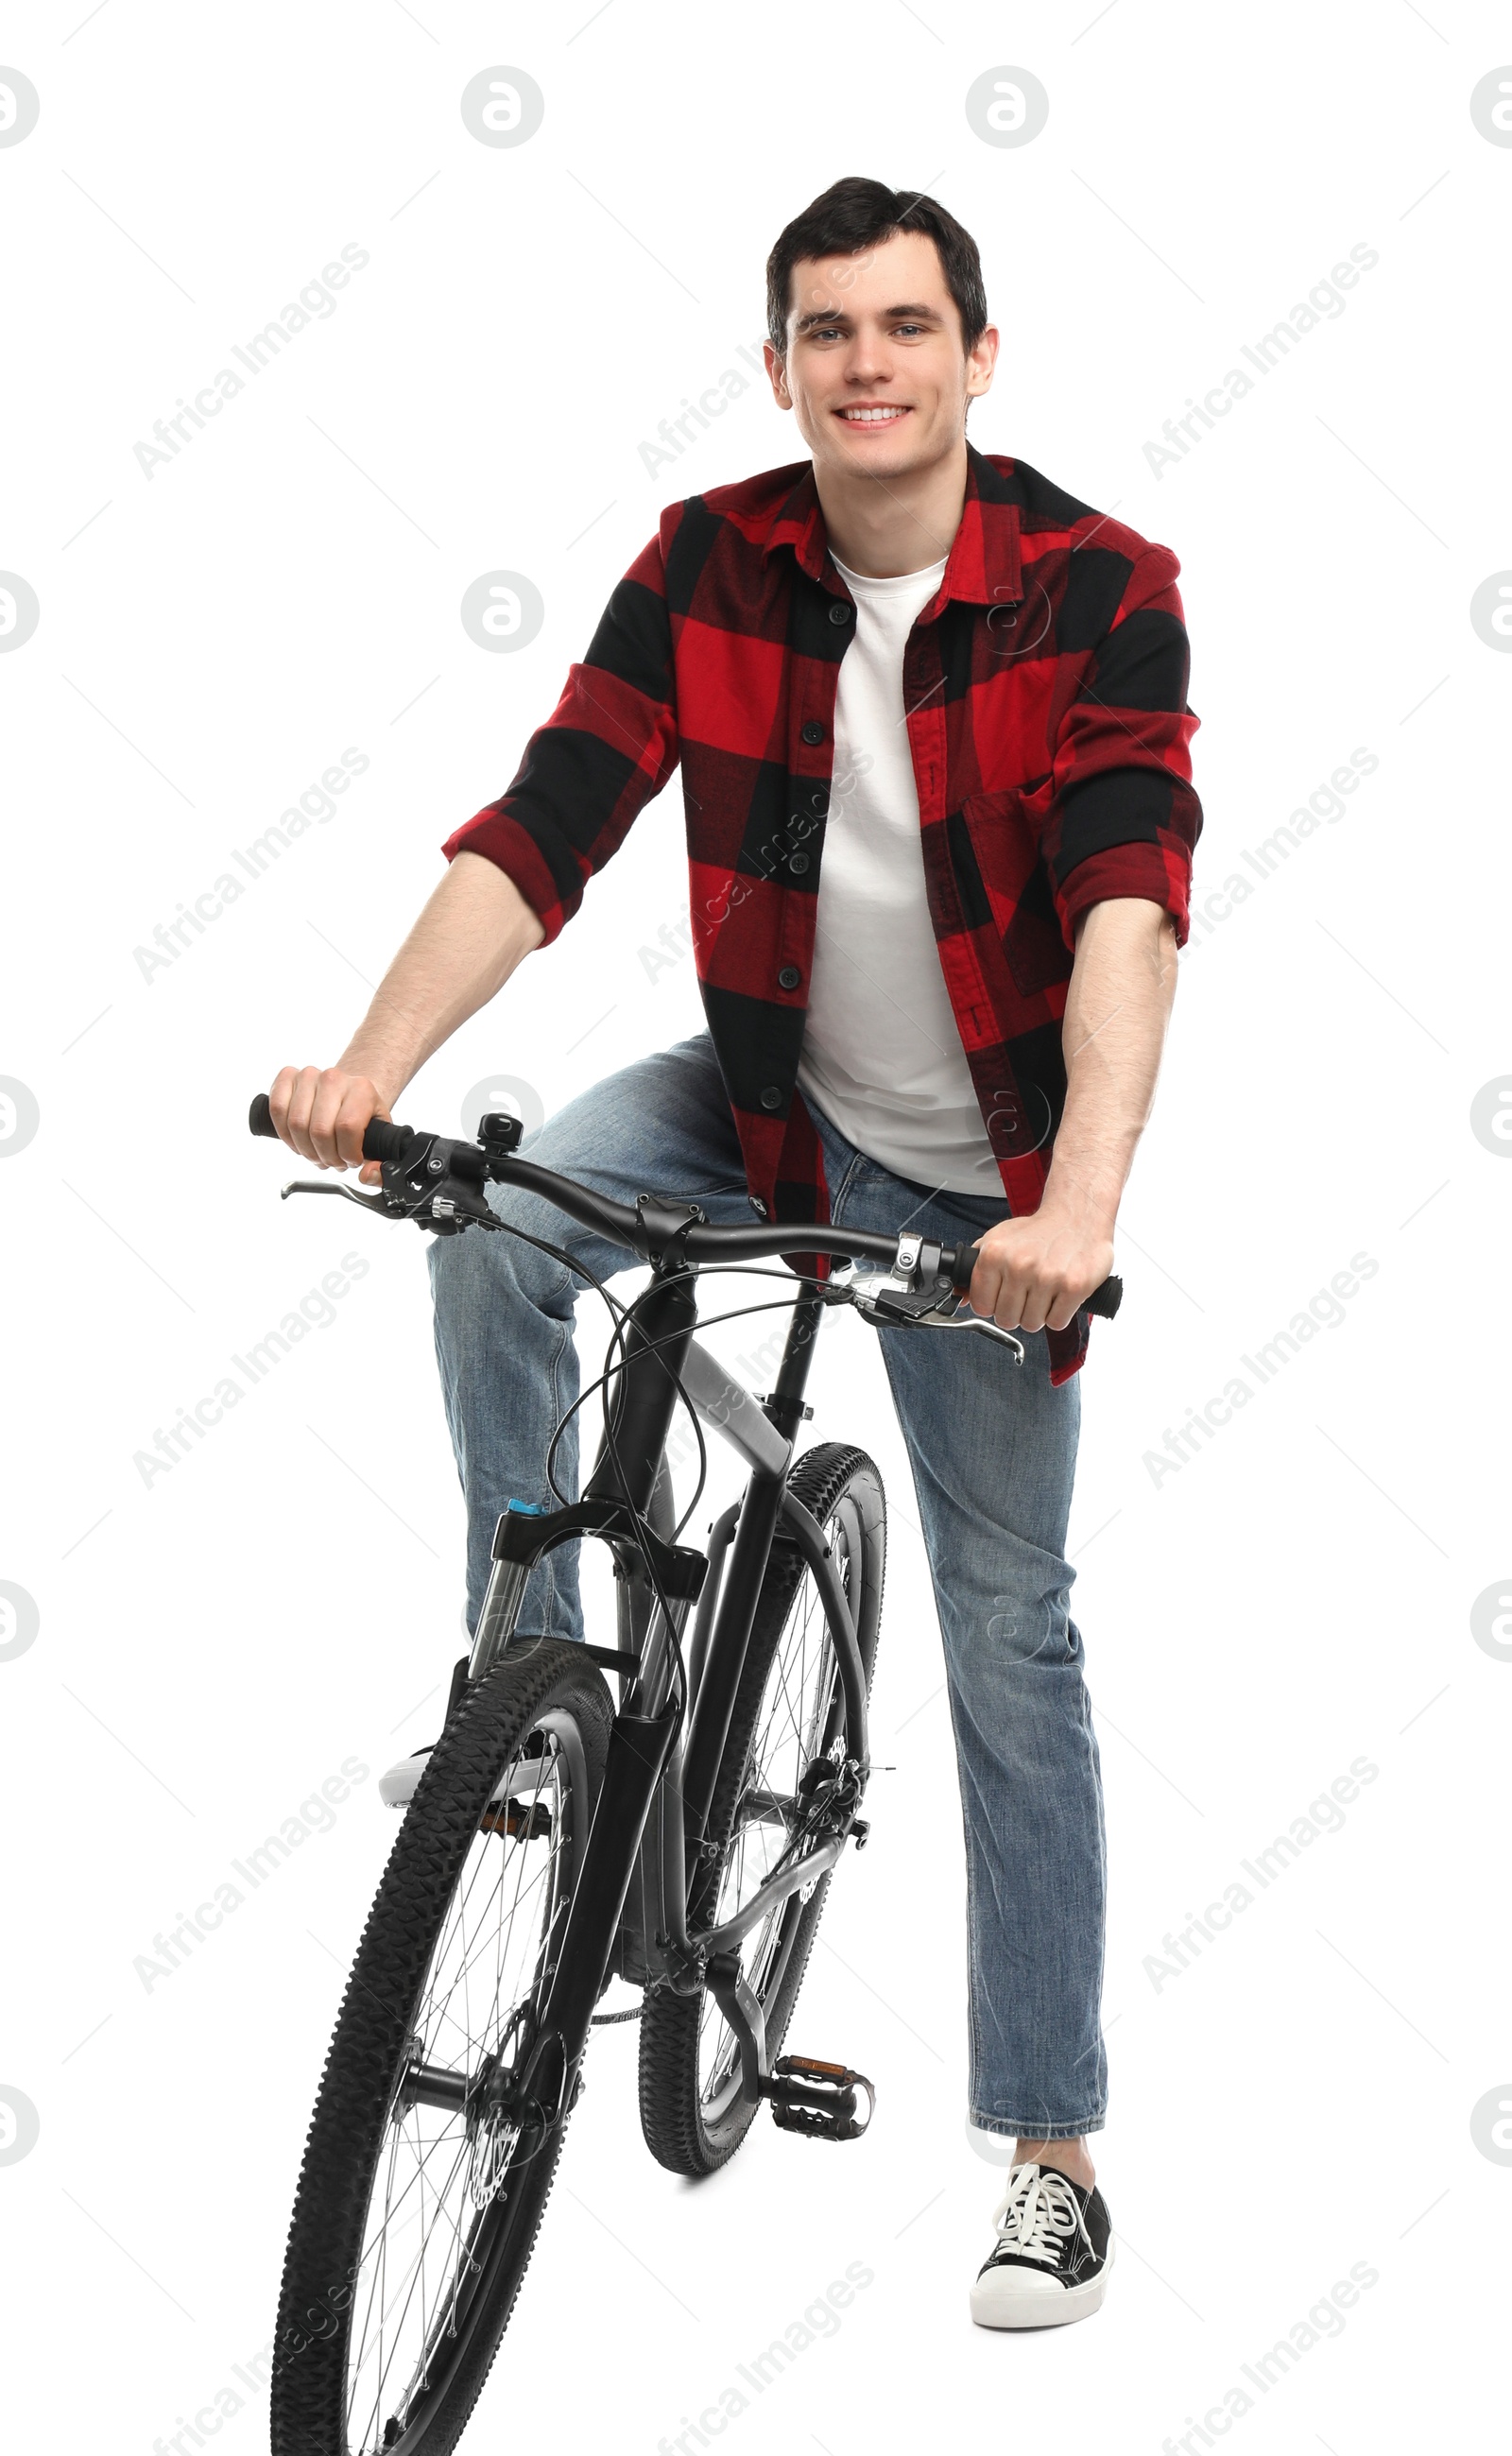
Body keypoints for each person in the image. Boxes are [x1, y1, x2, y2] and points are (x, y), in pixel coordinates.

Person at [266, 175, 1201, 2329]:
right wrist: (367, 1063)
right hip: (762, 1097)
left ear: (978, 355)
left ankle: (1048, 2146)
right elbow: (545, 824)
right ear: (777, 365)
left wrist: (1074, 1210)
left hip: (986, 1176)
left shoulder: (1094, 590)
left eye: (901, 327)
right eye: (819, 331)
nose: (861, 363)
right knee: (492, 1221)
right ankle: (542, 1691)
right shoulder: (712, 558)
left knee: (1006, 1628)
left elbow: (1122, 902)